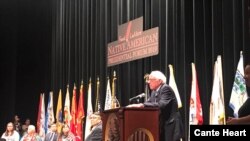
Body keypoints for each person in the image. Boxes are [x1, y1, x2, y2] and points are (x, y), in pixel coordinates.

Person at [127, 70, 183, 141]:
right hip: (161, 125)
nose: (148, 82)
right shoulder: (154, 92)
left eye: (151, 80)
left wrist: (141, 105)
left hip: (171, 124)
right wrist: (137, 107)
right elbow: (149, 103)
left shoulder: (166, 88)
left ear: (159, 81)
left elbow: (161, 104)